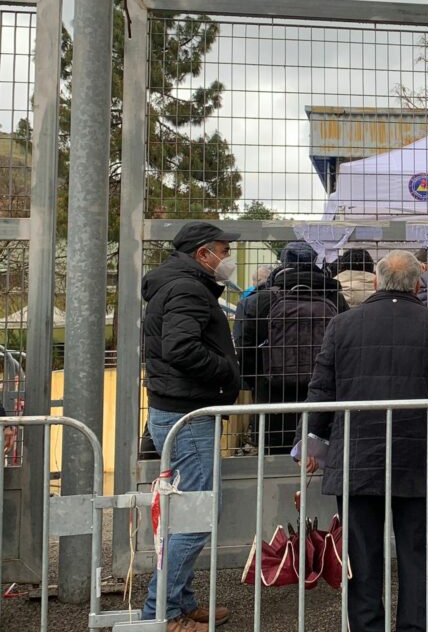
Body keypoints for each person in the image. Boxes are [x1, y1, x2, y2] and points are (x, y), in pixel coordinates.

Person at [301, 250, 428, 632]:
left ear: (376, 282)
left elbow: (322, 387)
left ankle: (366, 626)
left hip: (356, 454)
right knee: (418, 550)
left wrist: (313, 442)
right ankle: (417, 625)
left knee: (361, 552)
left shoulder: (342, 324)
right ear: (417, 283)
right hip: (418, 454)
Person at [141, 222, 242, 630]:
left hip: (181, 409)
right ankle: (161, 612)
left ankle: (181, 602)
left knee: (188, 511)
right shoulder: (187, 289)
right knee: (198, 513)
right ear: (203, 254)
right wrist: (226, 374)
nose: (227, 258)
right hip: (188, 412)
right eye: (223, 249)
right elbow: (180, 348)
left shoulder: (182, 284)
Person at [255, 241, 347, 452]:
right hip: (322, 398)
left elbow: (247, 347)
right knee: (318, 457)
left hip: (273, 397)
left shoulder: (261, 300)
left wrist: (256, 383)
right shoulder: (334, 297)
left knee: (269, 463)